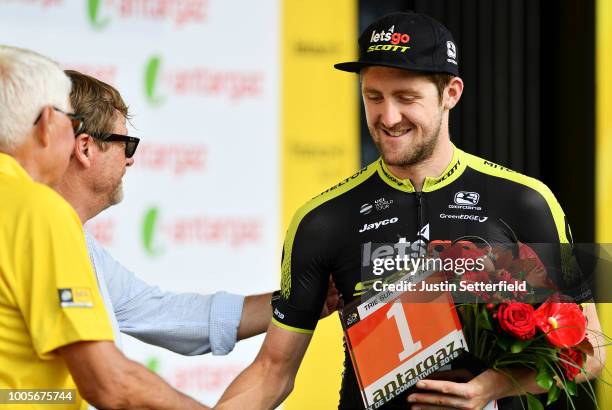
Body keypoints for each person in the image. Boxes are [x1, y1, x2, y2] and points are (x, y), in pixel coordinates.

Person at [215, 11, 606, 409]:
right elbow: (272, 373)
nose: (388, 117)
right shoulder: (322, 219)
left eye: (406, 98)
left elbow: (589, 349)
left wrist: (494, 388)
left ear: (451, 93)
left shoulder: (524, 200)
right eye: (373, 97)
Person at [57, 70, 340, 359]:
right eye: (126, 144)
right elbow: (108, 382)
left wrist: (300, 303)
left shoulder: (76, 241)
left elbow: (165, 315)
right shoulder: (46, 239)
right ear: (86, 148)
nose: (130, 159)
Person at [0, 46, 207, 410]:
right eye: (70, 121)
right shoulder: (38, 210)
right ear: (48, 123)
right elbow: (108, 384)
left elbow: (157, 310)